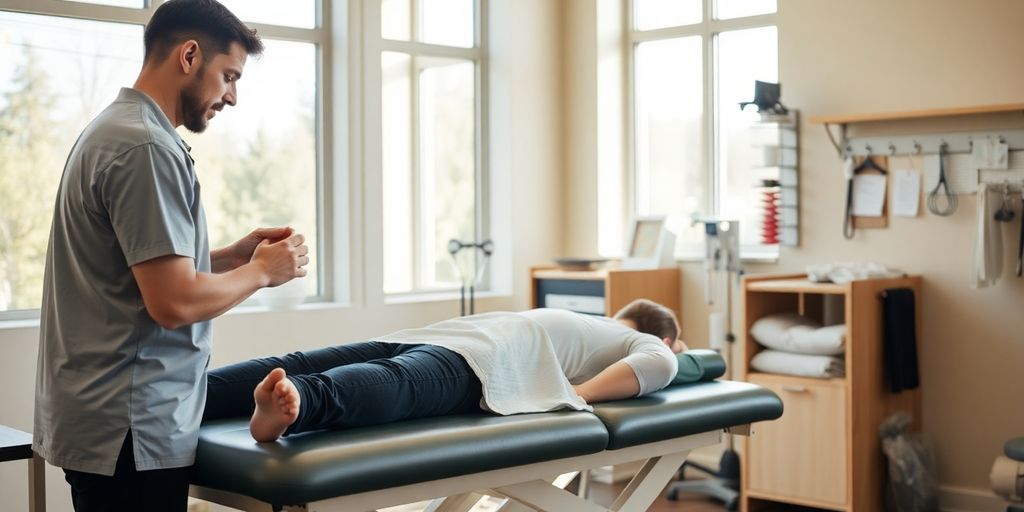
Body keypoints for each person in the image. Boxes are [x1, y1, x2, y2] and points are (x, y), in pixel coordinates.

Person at [33, 1, 309, 510]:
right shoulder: (146, 148)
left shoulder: (115, 129)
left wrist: (231, 257)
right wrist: (261, 273)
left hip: (109, 419)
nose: (232, 97)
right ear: (189, 56)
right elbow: (174, 302)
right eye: (229, 76)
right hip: (129, 428)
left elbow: (138, 274)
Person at [203, 299, 689, 443]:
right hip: (492, 352)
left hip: (466, 333)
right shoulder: (649, 343)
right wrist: (578, 393)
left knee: (305, 362)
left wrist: (578, 390)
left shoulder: (601, 328)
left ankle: (198, 393)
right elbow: (661, 364)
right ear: (666, 335)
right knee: (397, 381)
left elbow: (655, 362)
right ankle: (299, 401)